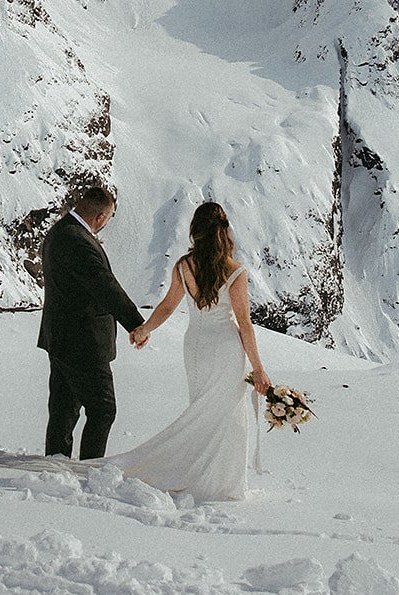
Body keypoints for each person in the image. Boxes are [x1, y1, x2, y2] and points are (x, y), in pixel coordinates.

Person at [109, 201, 271, 502]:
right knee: (227, 416)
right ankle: (222, 485)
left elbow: (168, 305)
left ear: (196, 231)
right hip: (224, 348)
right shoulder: (235, 272)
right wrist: (258, 368)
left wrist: (145, 329)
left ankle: (197, 474)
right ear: (225, 233)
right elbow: (245, 324)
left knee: (200, 410)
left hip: (195, 346)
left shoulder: (184, 266)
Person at [38, 185, 145, 460]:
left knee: (64, 407)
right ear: (99, 216)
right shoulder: (77, 240)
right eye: (107, 219)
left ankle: (57, 462)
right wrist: (135, 323)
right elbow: (104, 286)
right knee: (103, 409)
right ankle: (90, 469)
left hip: (61, 337)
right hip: (83, 340)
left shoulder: (59, 232)